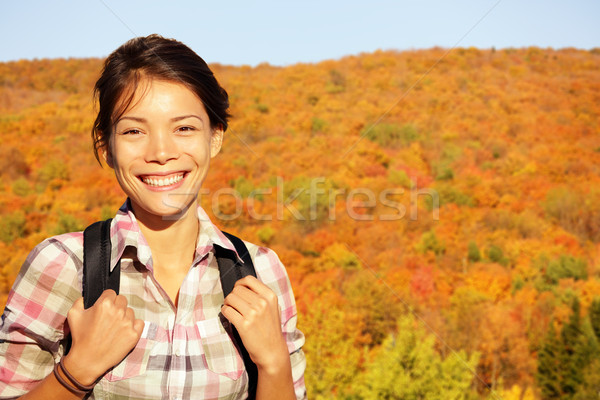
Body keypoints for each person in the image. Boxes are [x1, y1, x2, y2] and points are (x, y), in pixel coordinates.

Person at [0, 34, 306, 400]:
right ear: (106, 147)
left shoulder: (260, 272)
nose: (161, 152)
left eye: (184, 128)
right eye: (134, 131)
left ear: (215, 138)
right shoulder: (63, 265)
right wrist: (77, 370)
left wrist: (274, 363)